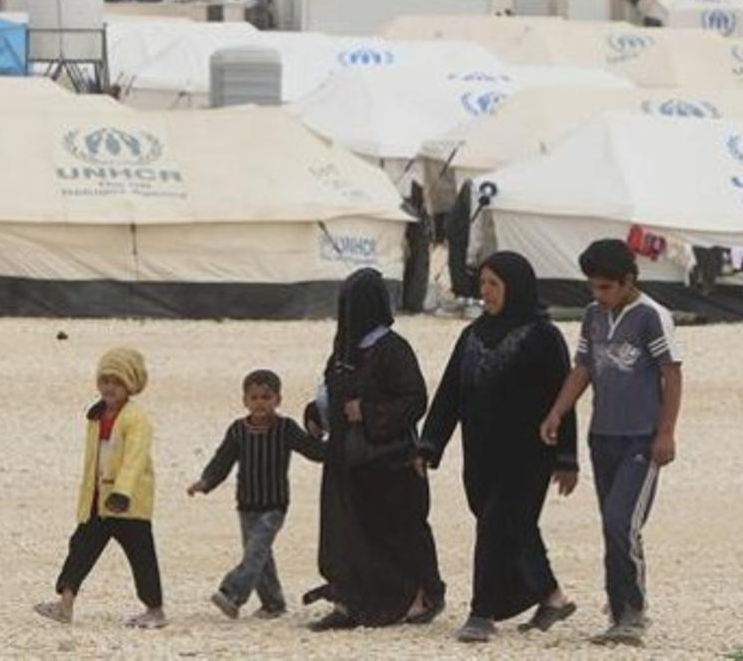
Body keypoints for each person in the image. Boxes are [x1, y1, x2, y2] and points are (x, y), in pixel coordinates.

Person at [417, 251, 579, 643]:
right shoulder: (472, 335)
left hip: (528, 454)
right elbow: (450, 394)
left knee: (495, 525)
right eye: (483, 283)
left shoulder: (543, 336)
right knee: (513, 525)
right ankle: (550, 595)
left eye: (494, 284)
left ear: (515, 288)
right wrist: (429, 445)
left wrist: (567, 457)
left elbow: (564, 399)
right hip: (481, 454)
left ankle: (482, 612)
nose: (485, 292)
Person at [540, 239, 682, 646]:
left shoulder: (652, 317)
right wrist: (557, 412)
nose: (598, 294)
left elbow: (671, 374)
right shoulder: (592, 316)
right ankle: (618, 609)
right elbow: (583, 367)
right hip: (603, 436)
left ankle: (634, 612)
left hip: (641, 437)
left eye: (605, 287)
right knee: (611, 527)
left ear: (628, 281)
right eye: (593, 287)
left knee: (623, 523)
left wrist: (666, 432)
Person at [304, 268, 446, 630]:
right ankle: (351, 601)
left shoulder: (392, 349)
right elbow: (329, 391)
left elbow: (415, 398)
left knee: (397, 532)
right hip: (347, 461)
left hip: (388, 462)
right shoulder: (344, 350)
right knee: (349, 532)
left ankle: (418, 597)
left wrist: (368, 412)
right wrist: (316, 416)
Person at [34, 348, 166, 629]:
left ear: (130, 385)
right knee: (80, 548)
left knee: (141, 555)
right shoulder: (96, 416)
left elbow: (134, 458)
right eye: (104, 380)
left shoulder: (136, 419)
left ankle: (155, 609)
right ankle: (65, 604)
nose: (109, 387)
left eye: (116, 382)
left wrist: (123, 491)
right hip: (98, 501)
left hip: (128, 504)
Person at [187, 369, 325, 620]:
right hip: (246, 504)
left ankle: (232, 594)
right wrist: (205, 482)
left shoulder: (286, 428)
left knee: (256, 550)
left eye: (266, 397)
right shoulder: (238, 431)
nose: (260, 403)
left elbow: (311, 450)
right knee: (260, 554)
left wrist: (334, 448)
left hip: (274, 505)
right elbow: (223, 460)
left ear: (278, 400)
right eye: (254, 398)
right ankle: (273, 603)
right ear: (245, 401)